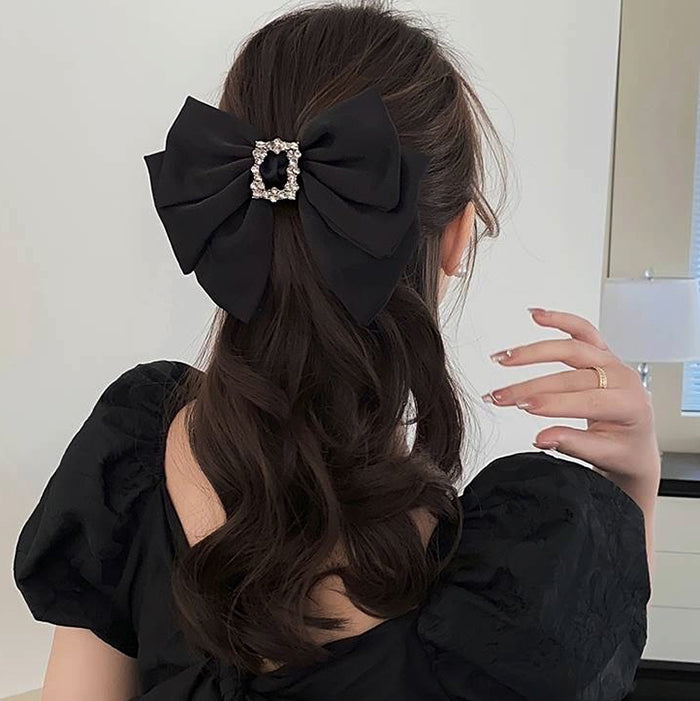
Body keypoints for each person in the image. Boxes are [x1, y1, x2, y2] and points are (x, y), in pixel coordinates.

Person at [13, 3, 658, 700]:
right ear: (456, 236)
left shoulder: (131, 454)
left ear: (226, 210)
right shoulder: (531, 572)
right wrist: (631, 495)